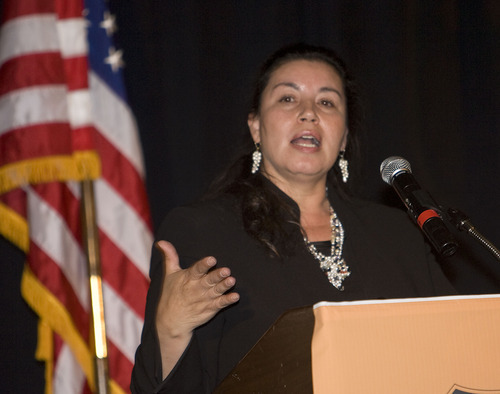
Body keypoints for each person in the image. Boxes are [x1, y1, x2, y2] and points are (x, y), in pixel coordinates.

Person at [130, 43, 456, 393]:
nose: (309, 113)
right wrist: (170, 331)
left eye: (327, 102)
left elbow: (458, 346)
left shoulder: (398, 234)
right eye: (288, 98)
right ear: (255, 126)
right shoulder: (202, 231)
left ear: (344, 136)